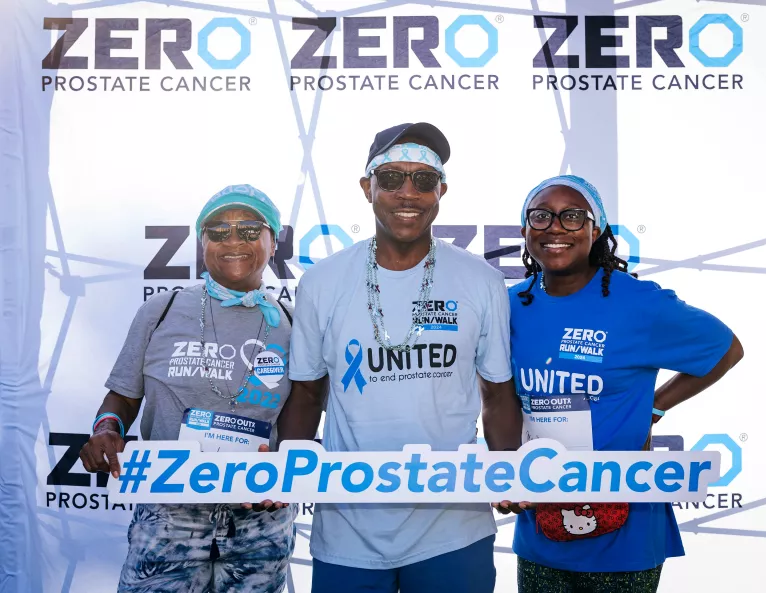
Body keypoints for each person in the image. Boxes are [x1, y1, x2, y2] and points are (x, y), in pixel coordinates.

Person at [277, 122, 522, 593]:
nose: (407, 192)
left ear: (441, 191)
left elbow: (497, 392)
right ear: (367, 187)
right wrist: (284, 476)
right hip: (348, 526)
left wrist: (508, 470)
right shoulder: (322, 282)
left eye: (423, 179)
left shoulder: (481, 280)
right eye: (390, 178)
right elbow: (307, 395)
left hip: (453, 527)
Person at [500, 174, 744, 592]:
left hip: (626, 534)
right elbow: (495, 396)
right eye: (540, 216)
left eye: (573, 217)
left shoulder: (637, 303)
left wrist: (655, 407)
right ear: (524, 231)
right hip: (541, 530)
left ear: (597, 231)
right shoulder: (508, 306)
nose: (555, 227)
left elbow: (726, 349)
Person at [79, 184, 297, 593]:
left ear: (273, 241)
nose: (233, 241)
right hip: (168, 510)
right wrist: (105, 428)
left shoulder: (294, 321)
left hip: (259, 516)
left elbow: (305, 411)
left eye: (250, 229)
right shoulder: (160, 310)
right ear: (202, 243)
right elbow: (123, 397)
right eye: (217, 231)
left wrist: (288, 466)